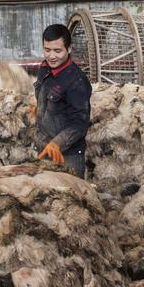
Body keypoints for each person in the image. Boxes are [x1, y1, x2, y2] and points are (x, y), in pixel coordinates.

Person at [33, 24, 92, 178]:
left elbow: (80, 123)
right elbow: (44, 96)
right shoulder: (45, 69)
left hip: (67, 157)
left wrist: (58, 143)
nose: (51, 56)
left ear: (69, 49)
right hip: (43, 149)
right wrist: (40, 110)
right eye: (47, 50)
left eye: (57, 51)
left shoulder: (76, 81)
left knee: (67, 199)